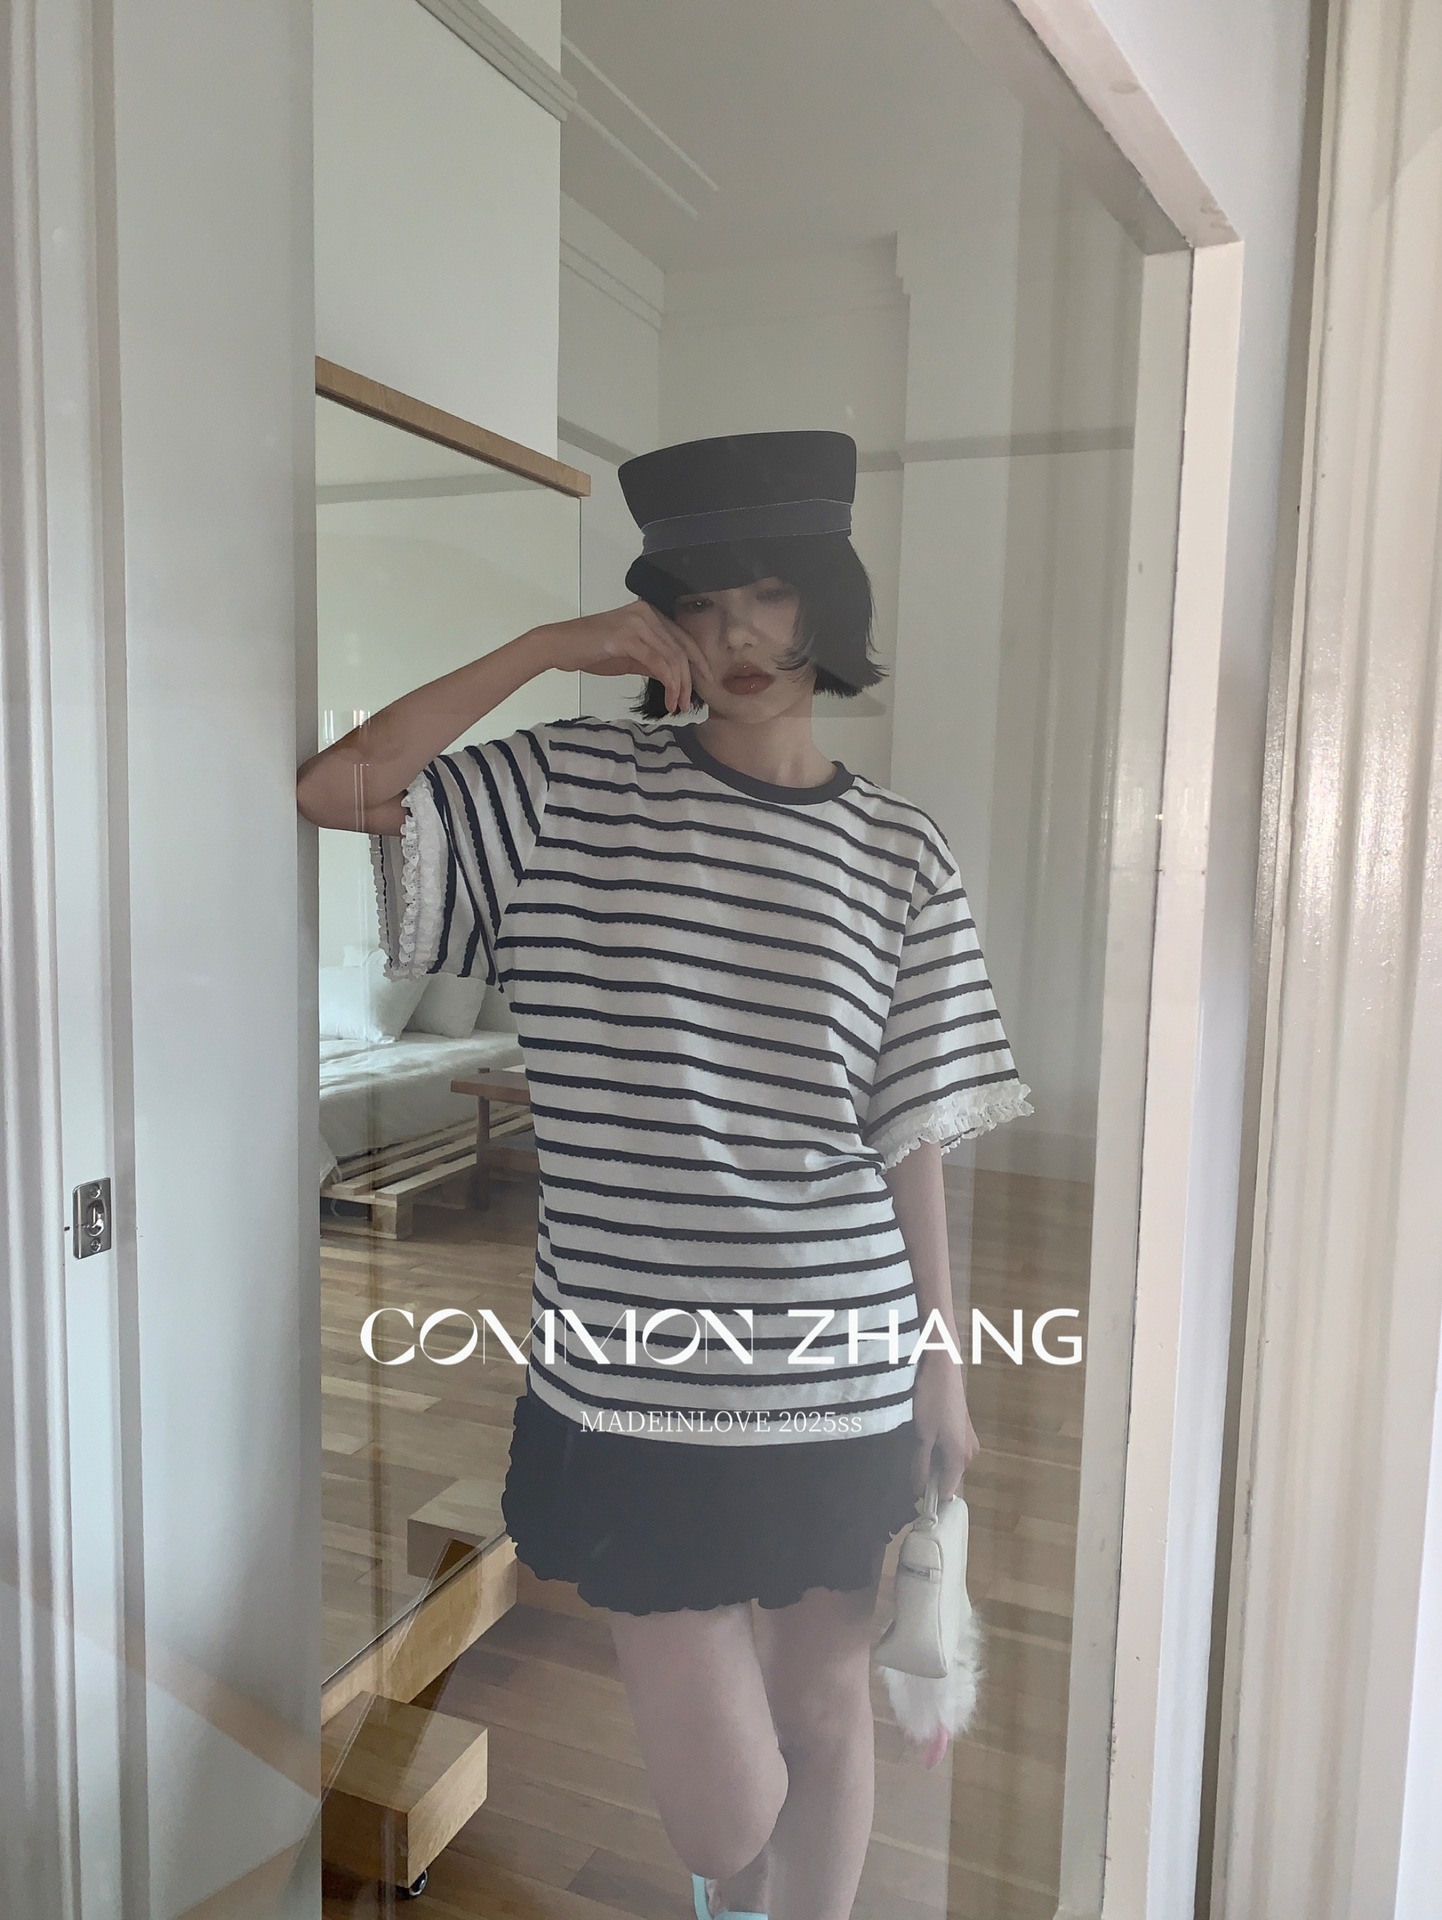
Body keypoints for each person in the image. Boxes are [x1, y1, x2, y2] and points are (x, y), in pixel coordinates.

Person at [296, 430, 1032, 1920]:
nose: (737, 635)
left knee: (823, 1709)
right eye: (698, 602)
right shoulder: (564, 790)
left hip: (838, 1362)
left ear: (826, 603)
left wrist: (940, 1364)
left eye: (769, 594)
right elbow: (340, 785)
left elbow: (909, 1131)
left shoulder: (899, 853)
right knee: (719, 1809)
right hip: (630, 1376)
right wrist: (546, 648)